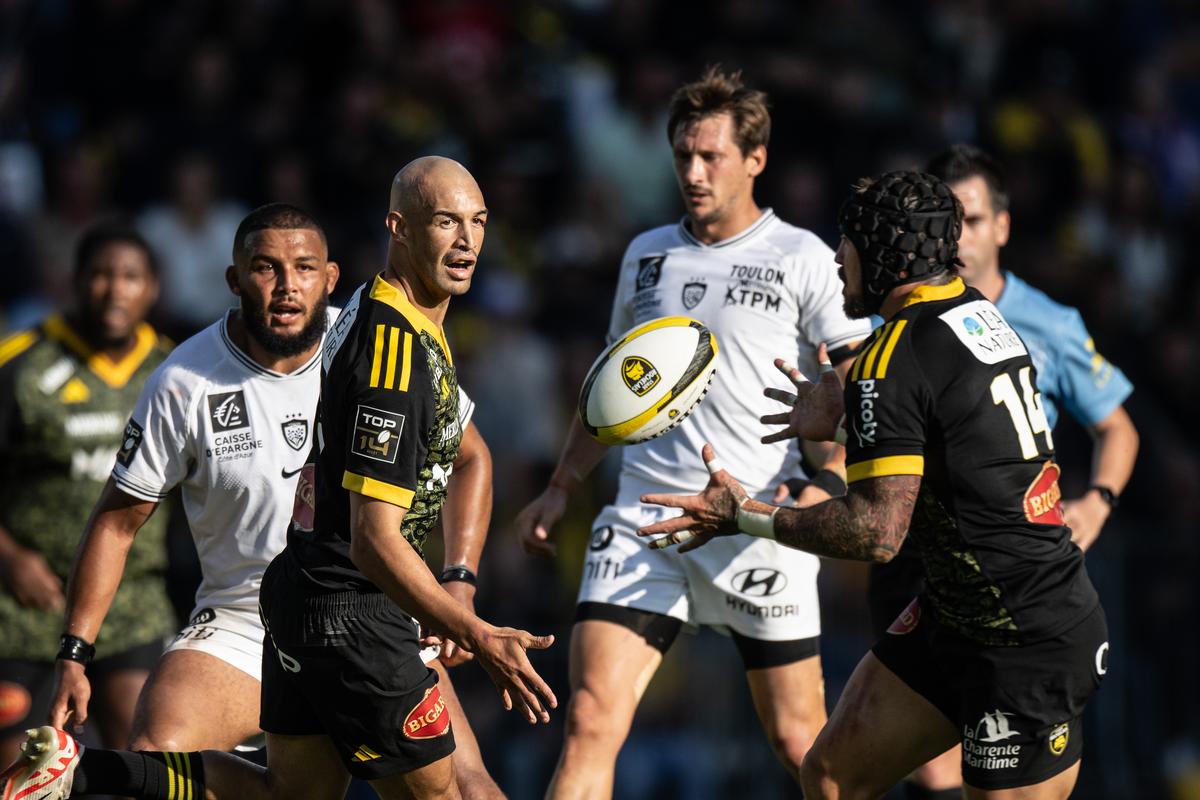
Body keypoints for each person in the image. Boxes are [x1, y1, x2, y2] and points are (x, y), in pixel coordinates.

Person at [1, 157, 556, 800]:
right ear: (235, 279)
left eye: (304, 270)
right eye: (267, 268)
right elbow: (119, 520)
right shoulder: (192, 378)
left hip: (345, 596)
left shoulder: (361, 332)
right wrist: (75, 651)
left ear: (331, 278)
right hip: (262, 612)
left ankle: (85, 772)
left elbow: (472, 457)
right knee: (163, 745)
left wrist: (459, 582)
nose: (287, 287)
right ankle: (93, 770)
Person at [641, 170, 1109, 799]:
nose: (838, 259)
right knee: (831, 776)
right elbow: (953, 440)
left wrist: (743, 514)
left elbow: (876, 532)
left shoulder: (892, 354)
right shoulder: (976, 312)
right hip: (956, 615)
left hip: (1025, 638)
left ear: (889, 252)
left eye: (850, 242)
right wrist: (848, 426)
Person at [514, 66, 870, 795]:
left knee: (800, 742)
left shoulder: (803, 257)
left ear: (756, 158)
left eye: (711, 155)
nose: (693, 171)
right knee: (589, 719)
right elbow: (613, 390)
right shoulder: (646, 253)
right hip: (648, 520)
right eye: (683, 155)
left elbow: (855, 387)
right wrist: (560, 487)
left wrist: (829, 485)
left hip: (756, 522)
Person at [860, 145, 1139, 799]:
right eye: (944, 221)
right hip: (914, 563)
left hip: (1009, 573)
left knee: (986, 766)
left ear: (1004, 226)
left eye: (973, 219)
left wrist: (1097, 502)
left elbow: (1118, 426)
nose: (956, 237)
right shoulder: (891, 322)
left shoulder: (1048, 322)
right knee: (925, 766)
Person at [0, 224, 171, 769]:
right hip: (27, 608)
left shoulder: (176, 370)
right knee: (25, 770)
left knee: (143, 755)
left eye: (130, 277)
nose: (114, 290)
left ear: (153, 288)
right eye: (100, 275)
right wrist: (9, 558)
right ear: (75, 281)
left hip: (132, 603)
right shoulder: (22, 364)